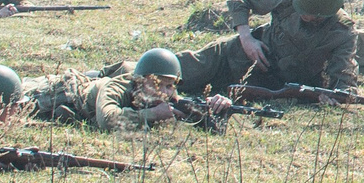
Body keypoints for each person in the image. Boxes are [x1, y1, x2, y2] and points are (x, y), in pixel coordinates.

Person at [174, 0, 359, 96]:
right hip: (239, 57)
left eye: (309, 14)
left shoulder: (343, 31)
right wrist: (246, 39)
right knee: (177, 71)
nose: (302, 14)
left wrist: (333, 97)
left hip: (273, 86)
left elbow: (343, 79)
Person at [22, 49, 231, 133]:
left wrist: (215, 108)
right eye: (159, 85)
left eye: (170, 86)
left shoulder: (165, 95)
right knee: (17, 95)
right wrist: (152, 114)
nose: (166, 93)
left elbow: (209, 126)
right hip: (63, 92)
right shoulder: (116, 87)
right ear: (141, 81)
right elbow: (107, 120)